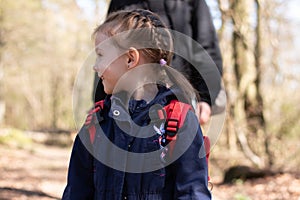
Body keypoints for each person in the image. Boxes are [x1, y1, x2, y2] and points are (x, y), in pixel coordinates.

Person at [62, 9, 211, 199]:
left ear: (130, 59)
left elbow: (192, 193)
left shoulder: (179, 121)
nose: (94, 66)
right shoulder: (95, 124)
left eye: (100, 54)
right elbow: (76, 192)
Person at [93, 0, 224, 125]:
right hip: (126, 105)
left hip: (182, 97)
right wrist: (99, 105)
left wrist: (206, 98)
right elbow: (107, 51)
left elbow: (206, 45)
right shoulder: (120, 2)